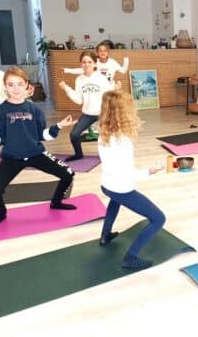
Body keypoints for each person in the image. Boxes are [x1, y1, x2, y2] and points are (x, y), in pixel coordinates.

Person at [0, 67, 77, 228]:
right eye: (11, 84)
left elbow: (42, 135)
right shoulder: (1, 110)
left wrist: (58, 126)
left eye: (19, 84)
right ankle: (1, 214)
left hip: (36, 153)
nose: (15, 88)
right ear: (5, 86)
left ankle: (56, 202)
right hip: (12, 157)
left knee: (69, 174)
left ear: (26, 85)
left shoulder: (34, 109)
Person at [97, 90, 166, 270]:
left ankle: (105, 235)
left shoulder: (104, 133)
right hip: (120, 187)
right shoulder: (121, 141)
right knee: (158, 219)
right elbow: (126, 174)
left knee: (115, 200)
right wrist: (151, 171)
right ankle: (131, 257)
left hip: (107, 185)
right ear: (121, 112)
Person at [58, 50, 115, 161]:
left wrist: (115, 89)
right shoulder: (79, 80)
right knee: (74, 135)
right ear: (81, 64)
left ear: (95, 63)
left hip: (102, 113)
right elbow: (79, 100)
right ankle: (78, 154)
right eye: (84, 62)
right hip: (88, 114)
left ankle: (110, 155)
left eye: (89, 62)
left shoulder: (101, 78)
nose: (86, 64)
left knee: (107, 137)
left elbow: (110, 95)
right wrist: (66, 88)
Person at [63, 42, 128, 86]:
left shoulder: (112, 62)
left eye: (105, 51)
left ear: (108, 53)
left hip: (109, 89)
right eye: (100, 51)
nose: (103, 53)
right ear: (97, 52)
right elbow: (82, 70)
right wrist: (66, 70)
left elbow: (123, 70)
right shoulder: (94, 62)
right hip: (97, 88)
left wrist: (126, 59)